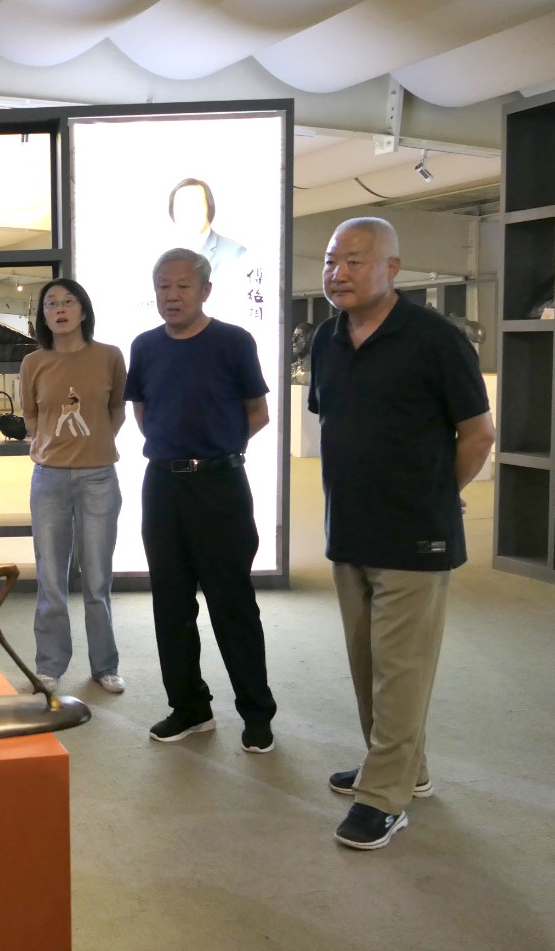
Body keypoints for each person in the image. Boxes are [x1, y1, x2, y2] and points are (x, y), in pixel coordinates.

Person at [309, 217, 494, 850]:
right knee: (368, 664)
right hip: (349, 528)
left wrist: (436, 497)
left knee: (401, 668)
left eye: (355, 260)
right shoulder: (327, 338)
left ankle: (384, 797)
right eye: (331, 260)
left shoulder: (436, 339)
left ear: (393, 268)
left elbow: (478, 435)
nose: (338, 273)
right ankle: (402, 768)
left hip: (415, 536)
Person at [125, 248, 277, 752]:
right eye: (163, 286)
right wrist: (175, 452)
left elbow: (257, 413)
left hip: (220, 486)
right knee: (170, 603)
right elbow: (144, 412)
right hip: (162, 486)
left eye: (182, 286)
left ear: (205, 290)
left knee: (233, 603)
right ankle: (189, 707)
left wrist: (216, 449)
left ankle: (257, 713)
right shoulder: (145, 346)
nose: (171, 295)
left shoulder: (234, 341)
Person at [17, 277, 127, 694]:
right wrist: (47, 444)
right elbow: (30, 416)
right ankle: (49, 664)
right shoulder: (33, 362)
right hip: (49, 479)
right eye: (51, 304)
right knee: (51, 579)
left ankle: (105, 665)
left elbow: (116, 409)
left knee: (97, 580)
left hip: (100, 477)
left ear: (83, 310)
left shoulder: (109, 356)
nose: (59, 309)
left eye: (68, 302)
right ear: (43, 316)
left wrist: (97, 444)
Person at [169, 178, 247, 279]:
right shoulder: (167, 254)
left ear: (209, 208)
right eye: (182, 206)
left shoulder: (235, 254)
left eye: (197, 205)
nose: (190, 212)